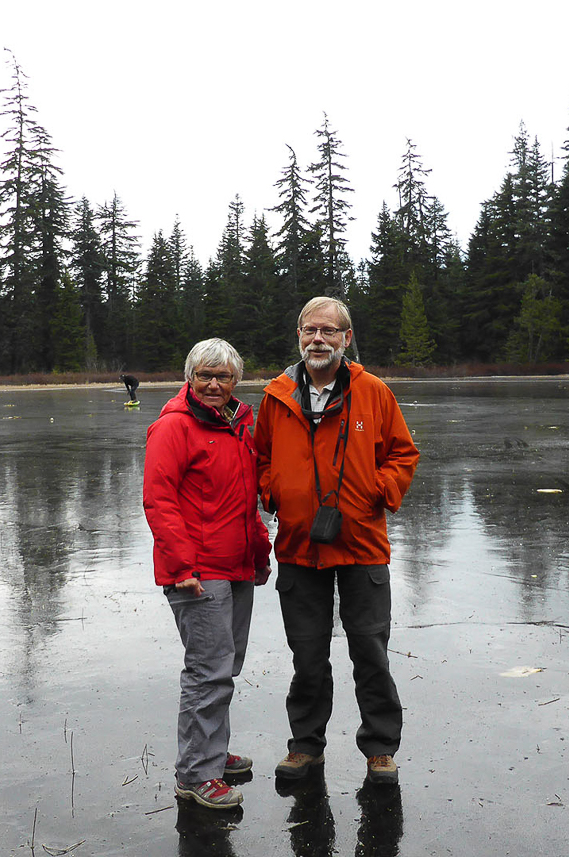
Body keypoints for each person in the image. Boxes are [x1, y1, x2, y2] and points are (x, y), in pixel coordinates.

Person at [254, 296, 419, 785]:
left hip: (362, 544)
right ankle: (306, 747)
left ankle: (380, 749)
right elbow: (261, 458)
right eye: (309, 331)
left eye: (328, 331)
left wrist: (378, 490)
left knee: (370, 651)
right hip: (300, 546)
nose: (317, 340)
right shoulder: (277, 396)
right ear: (299, 338)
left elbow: (403, 454)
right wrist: (274, 492)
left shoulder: (374, 392)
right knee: (306, 655)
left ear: (346, 339)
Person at [143, 338, 272, 809]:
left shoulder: (240, 426)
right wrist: (181, 568)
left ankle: (211, 753)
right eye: (205, 376)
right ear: (190, 378)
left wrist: (260, 554)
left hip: (236, 566)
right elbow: (160, 503)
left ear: (236, 382)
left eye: (223, 377)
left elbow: (246, 501)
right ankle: (196, 774)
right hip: (198, 572)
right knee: (207, 672)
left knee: (226, 666)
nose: (214, 384)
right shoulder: (173, 428)